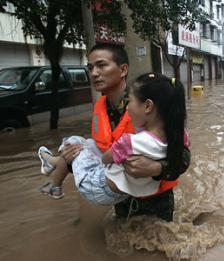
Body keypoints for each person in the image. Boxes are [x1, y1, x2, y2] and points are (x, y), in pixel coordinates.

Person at [44, 43, 191, 222]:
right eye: (90, 68)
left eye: (101, 65)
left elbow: (182, 155)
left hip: (156, 201)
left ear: (123, 70)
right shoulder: (100, 107)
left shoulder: (151, 104)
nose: (94, 73)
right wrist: (69, 158)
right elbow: (101, 155)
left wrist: (157, 168)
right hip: (120, 198)